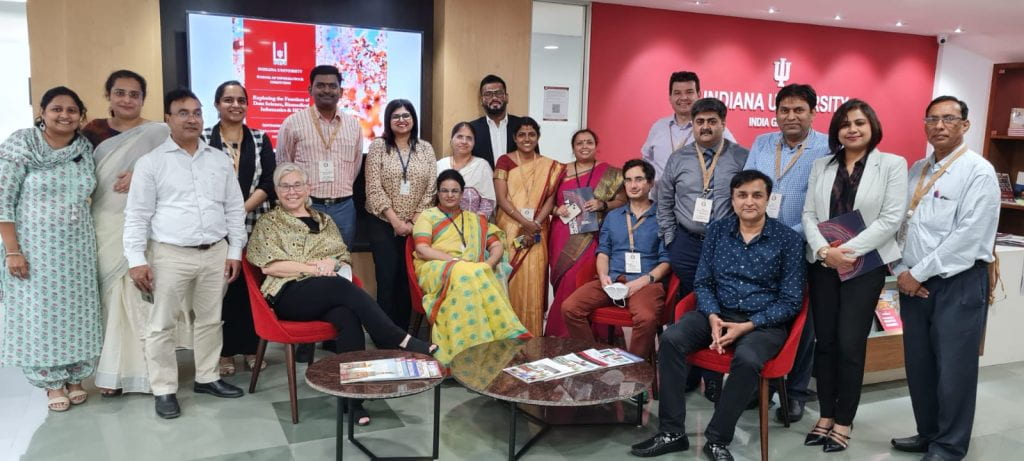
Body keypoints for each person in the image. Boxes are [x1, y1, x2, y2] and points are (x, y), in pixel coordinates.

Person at [632, 170, 805, 460]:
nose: (749, 202)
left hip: (762, 322)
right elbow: (703, 282)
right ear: (733, 199)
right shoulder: (717, 231)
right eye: (742, 195)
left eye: (757, 195)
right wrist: (712, 315)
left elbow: (791, 301)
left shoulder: (787, 239)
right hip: (718, 312)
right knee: (672, 339)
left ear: (768, 199)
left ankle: (716, 440)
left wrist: (748, 325)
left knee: (747, 359)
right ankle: (672, 432)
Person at [248, 162, 437, 425]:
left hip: (326, 290)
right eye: (285, 186)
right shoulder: (270, 222)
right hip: (287, 294)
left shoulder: (324, 221)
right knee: (339, 286)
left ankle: (353, 400)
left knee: (347, 316)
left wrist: (332, 264)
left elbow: (342, 258)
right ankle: (396, 337)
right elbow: (270, 266)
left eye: (297, 185)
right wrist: (314, 268)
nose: (292, 191)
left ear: (308, 188)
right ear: (277, 191)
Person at [123, 88, 247, 419]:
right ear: (168, 118)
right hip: (170, 254)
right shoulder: (151, 163)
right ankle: (164, 389)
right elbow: (136, 215)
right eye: (183, 113)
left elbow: (234, 208)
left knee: (210, 319)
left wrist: (235, 251)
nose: (192, 119)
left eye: (197, 112)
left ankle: (207, 377)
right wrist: (136, 260)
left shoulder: (218, 159)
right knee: (161, 324)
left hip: (215, 252)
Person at [890, 96, 1000, 461]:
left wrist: (917, 273)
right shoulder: (917, 169)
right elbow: (900, 223)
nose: (939, 126)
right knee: (919, 365)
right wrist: (900, 271)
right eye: (932, 119)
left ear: (965, 125)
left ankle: (949, 446)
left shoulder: (978, 171)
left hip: (958, 283)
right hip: (913, 283)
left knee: (954, 369)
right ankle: (928, 433)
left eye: (949, 119)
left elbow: (969, 236)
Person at [801, 99, 908, 452]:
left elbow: (891, 218)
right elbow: (809, 214)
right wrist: (824, 252)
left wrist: (845, 252)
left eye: (859, 122)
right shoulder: (822, 164)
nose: (852, 129)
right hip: (824, 265)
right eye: (845, 123)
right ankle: (825, 415)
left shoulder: (891, 164)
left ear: (872, 126)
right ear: (836, 130)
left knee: (850, 343)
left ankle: (844, 421)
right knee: (826, 343)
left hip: (865, 267)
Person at [87, 70, 192, 397]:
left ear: (143, 99)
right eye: (120, 92)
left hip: (146, 226)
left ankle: (150, 374)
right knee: (112, 298)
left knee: (142, 298)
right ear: (108, 95)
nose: (127, 99)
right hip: (105, 223)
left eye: (134, 94)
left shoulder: (159, 132)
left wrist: (142, 174)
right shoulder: (92, 132)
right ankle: (113, 373)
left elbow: (182, 170)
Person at [0, 87, 102, 412]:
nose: (64, 115)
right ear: (43, 112)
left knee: (78, 311)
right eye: (57, 109)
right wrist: (12, 250)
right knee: (42, 314)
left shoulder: (83, 149)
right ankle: (52, 382)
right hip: (34, 248)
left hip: (78, 248)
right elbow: (3, 200)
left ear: (81, 116)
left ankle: (76, 376)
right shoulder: (22, 144)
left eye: (72, 110)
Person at [743, 83, 830, 423]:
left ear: (812, 113)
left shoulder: (827, 148)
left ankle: (794, 393)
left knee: (801, 326)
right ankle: (756, 386)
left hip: (803, 247)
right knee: (758, 314)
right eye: (785, 110)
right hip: (760, 247)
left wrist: (787, 237)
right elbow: (748, 186)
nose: (791, 116)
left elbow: (825, 204)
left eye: (799, 110)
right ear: (776, 113)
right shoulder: (762, 143)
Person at [656, 97, 748, 400]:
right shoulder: (678, 158)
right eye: (700, 122)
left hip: (725, 245)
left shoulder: (741, 157)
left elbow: (749, 199)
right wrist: (670, 238)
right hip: (686, 244)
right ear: (693, 125)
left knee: (716, 305)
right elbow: (664, 200)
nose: (705, 127)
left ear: (723, 123)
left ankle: (713, 377)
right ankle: (689, 371)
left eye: (712, 121)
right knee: (692, 304)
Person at [412, 169, 530, 364]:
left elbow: (497, 245)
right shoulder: (428, 216)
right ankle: (465, 350)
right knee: (465, 272)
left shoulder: (474, 219)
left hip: (471, 270)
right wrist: (455, 261)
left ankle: (489, 345)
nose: (450, 195)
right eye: (445, 191)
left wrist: (487, 265)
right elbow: (423, 250)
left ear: (462, 194)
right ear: (438, 193)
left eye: (455, 191)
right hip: (435, 267)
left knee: (471, 273)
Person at [201, 80, 277, 377]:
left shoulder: (259, 138)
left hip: (253, 225)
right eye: (228, 100)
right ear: (217, 104)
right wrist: (225, 214)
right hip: (213, 228)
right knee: (222, 291)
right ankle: (225, 352)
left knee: (251, 290)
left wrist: (239, 210)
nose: (235, 105)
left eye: (241, 100)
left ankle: (251, 349)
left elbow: (269, 182)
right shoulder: (203, 137)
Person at [562, 159, 669, 358]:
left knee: (646, 318)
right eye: (628, 180)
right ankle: (594, 359)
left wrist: (643, 281)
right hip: (613, 280)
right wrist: (603, 275)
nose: (633, 185)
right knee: (570, 307)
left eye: (639, 179)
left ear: (650, 183)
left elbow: (666, 261)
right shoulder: (613, 216)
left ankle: (633, 368)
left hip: (646, 282)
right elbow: (603, 252)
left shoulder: (663, 217)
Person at [365, 99, 437, 332]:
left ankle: (404, 333)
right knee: (387, 278)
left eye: (406, 115)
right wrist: (396, 221)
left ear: (413, 119)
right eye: (396, 116)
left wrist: (413, 221)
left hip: (416, 224)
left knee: (408, 279)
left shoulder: (425, 148)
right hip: (383, 222)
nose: (402, 120)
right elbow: (373, 188)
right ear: (388, 120)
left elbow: (431, 188)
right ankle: (384, 333)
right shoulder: (378, 147)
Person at [547, 129, 626, 337]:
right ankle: (561, 334)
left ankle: (593, 335)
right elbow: (545, 202)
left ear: (596, 145)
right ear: (573, 147)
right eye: (579, 143)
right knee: (565, 278)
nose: (584, 146)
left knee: (585, 278)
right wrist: (556, 210)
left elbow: (622, 201)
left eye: (589, 142)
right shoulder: (558, 172)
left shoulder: (610, 172)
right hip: (563, 232)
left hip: (594, 234)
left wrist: (602, 204)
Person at [277, 65, 363, 244]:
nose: (327, 90)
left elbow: (355, 166)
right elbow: (284, 166)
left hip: (343, 208)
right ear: (310, 90)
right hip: (306, 206)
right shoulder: (292, 123)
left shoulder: (353, 125)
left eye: (332, 86)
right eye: (321, 85)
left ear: (341, 91)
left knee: (342, 257)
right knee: (304, 257)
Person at [494, 117, 564, 336]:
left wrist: (536, 223)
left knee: (535, 276)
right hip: (510, 226)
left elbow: (550, 199)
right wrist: (525, 222)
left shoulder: (549, 166)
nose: (527, 139)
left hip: (538, 229)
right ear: (515, 138)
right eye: (522, 135)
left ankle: (533, 335)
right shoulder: (504, 161)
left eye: (531, 134)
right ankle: (508, 333)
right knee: (511, 277)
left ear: (538, 137)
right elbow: (501, 198)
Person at [641, 71, 735, 180]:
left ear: (698, 95)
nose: (684, 97)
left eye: (689, 92)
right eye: (677, 93)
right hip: (659, 191)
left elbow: (734, 160)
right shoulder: (658, 127)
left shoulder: (715, 128)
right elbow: (646, 160)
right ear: (670, 97)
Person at [435, 122, 496, 218]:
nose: (464, 141)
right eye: (459, 137)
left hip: (473, 224)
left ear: (474, 143)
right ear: (451, 140)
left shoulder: (482, 166)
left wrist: (474, 224)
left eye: (469, 138)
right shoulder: (440, 165)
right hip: (441, 223)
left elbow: (488, 203)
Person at [469, 74, 523, 167]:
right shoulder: (472, 129)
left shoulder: (522, 126)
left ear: (506, 97)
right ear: (481, 100)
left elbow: (534, 160)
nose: (494, 98)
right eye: (488, 94)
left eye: (499, 93)